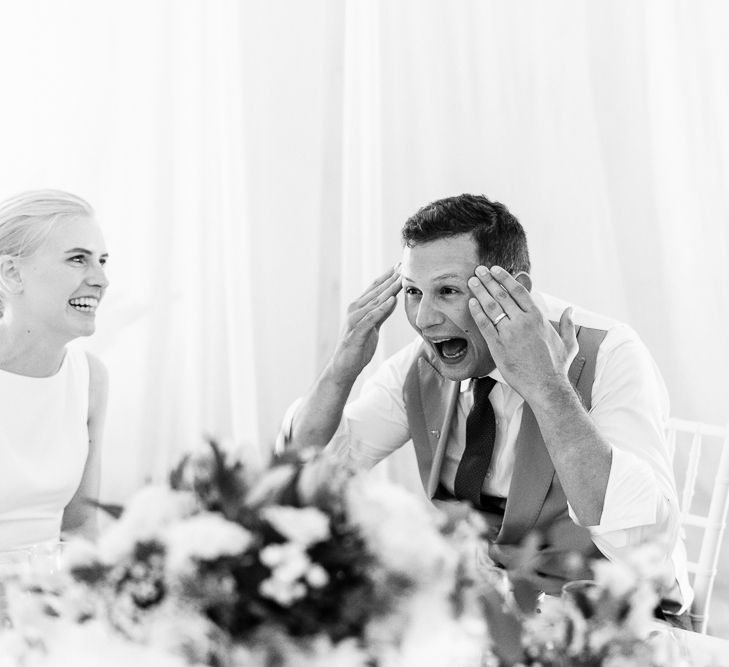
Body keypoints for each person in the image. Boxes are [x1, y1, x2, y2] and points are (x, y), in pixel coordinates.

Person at [281, 193, 692, 624]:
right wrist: (344, 364)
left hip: (622, 624)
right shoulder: (421, 364)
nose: (423, 318)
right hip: (494, 620)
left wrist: (547, 386)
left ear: (515, 291)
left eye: (448, 291)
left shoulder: (611, 352)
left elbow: (643, 544)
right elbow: (307, 474)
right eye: (413, 292)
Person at [0, 190, 109, 551]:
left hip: (48, 599)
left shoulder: (90, 378)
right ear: (12, 273)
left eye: (102, 261)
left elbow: (81, 526)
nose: (100, 280)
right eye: (78, 259)